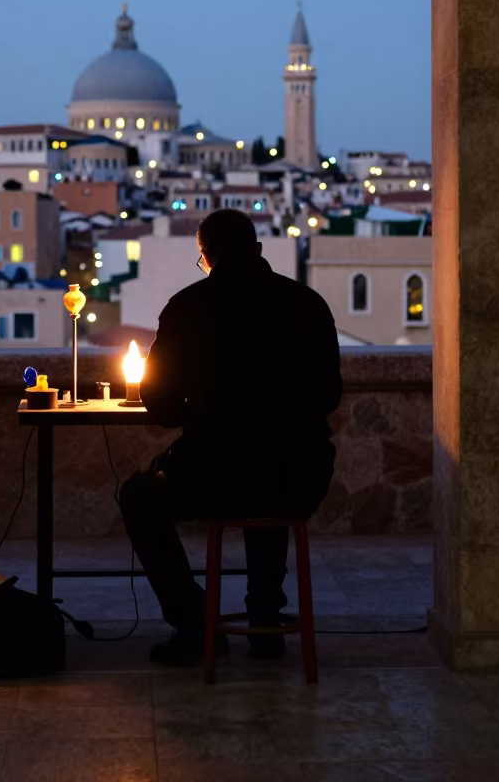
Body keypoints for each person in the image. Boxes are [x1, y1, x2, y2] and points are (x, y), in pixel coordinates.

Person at [119, 208, 342, 667]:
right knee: (270, 485)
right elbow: (328, 395)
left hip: (215, 474)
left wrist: (199, 410)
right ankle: (264, 623)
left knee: (140, 498)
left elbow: (159, 406)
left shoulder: (186, 308)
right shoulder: (307, 303)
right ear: (258, 251)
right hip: (300, 474)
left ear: (206, 255)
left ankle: (195, 624)